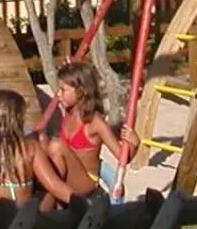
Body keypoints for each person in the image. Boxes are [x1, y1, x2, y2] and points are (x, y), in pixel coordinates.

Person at [41, 62, 140, 196]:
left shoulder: (95, 122)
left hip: (86, 182)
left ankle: (51, 195)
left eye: (63, 90)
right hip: (67, 175)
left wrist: (134, 144)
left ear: (80, 92)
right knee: (42, 140)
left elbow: (122, 157)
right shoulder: (69, 113)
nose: (58, 94)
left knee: (56, 146)